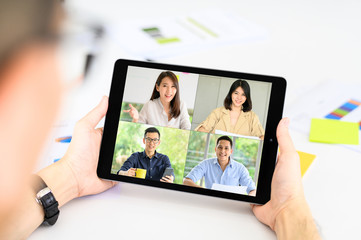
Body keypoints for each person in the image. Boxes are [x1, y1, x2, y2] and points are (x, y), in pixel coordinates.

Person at [0, 1, 320, 239]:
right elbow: (196, 144)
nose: (152, 142)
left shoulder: (177, 139)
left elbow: (183, 152)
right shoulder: (159, 128)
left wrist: (68, 175)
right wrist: (290, 210)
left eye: (172, 86)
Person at [183, 136, 256, 195]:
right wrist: (205, 191)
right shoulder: (206, 164)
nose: (222, 151)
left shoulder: (240, 168)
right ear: (215, 149)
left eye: (226, 148)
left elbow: (252, 190)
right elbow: (186, 181)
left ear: (231, 151)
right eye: (220, 147)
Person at [195, 79, 265, 139]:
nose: (239, 97)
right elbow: (201, 130)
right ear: (231, 94)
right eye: (236, 93)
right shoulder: (217, 112)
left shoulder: (252, 117)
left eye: (243, 95)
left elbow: (262, 136)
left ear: (246, 97)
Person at [123, 71, 191, 130]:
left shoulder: (181, 105)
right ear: (157, 87)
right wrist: (135, 119)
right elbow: (137, 130)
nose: (169, 91)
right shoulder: (149, 105)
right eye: (165, 86)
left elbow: (187, 129)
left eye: (173, 86)